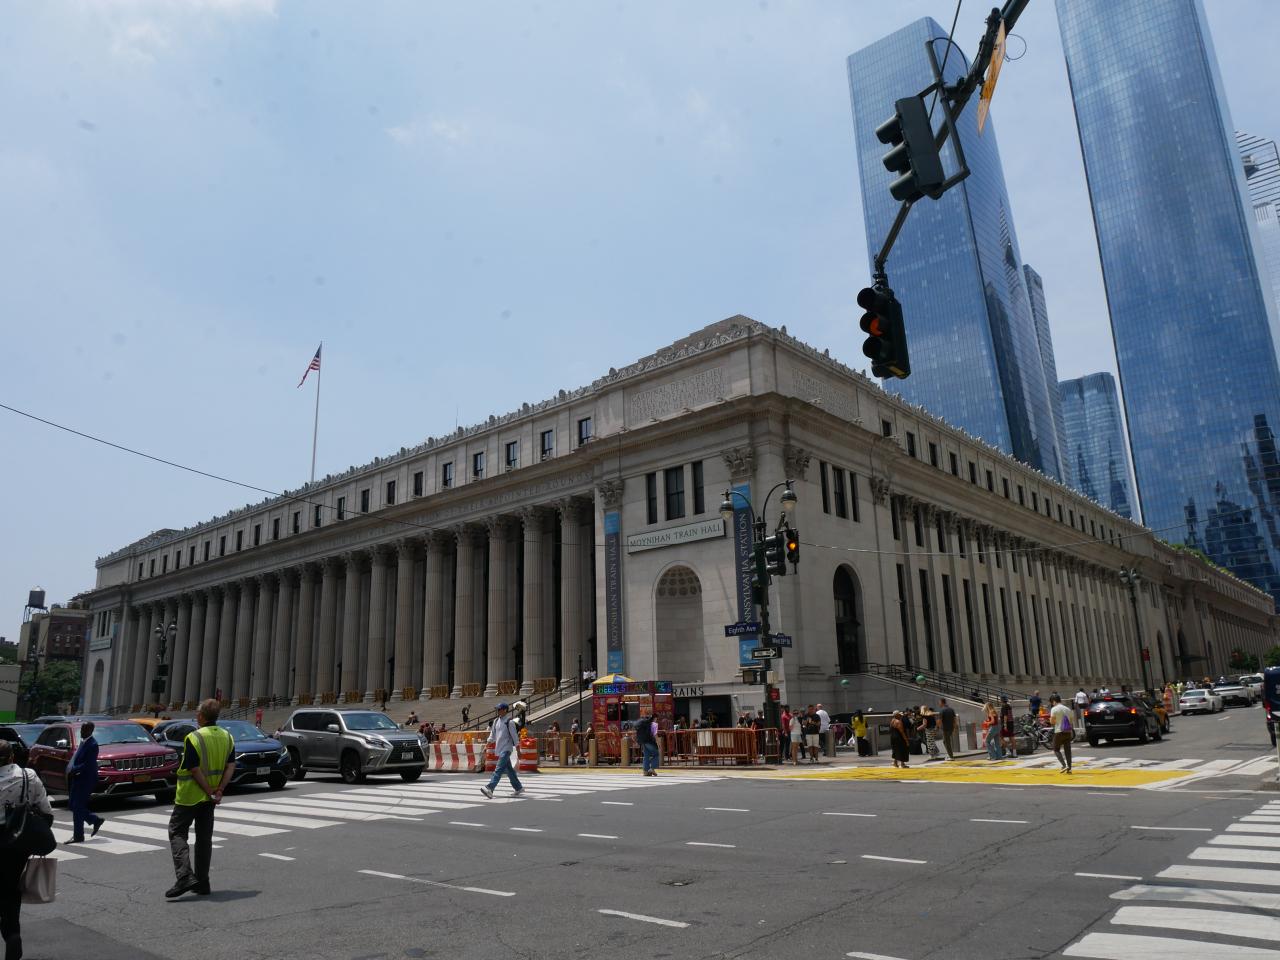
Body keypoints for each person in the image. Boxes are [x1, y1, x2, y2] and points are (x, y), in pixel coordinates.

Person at [167, 698, 237, 899]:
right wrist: (219, 790)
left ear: (201, 716)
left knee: (177, 832)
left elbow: (194, 769)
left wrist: (208, 790)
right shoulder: (227, 737)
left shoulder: (194, 737)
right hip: (210, 798)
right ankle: (202, 882)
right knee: (204, 839)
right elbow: (230, 766)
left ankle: (184, 876)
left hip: (190, 795)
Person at [0, 740, 53, 960]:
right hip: (16, 843)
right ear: (12, 756)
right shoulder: (27, 776)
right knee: (11, 891)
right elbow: (46, 811)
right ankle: (12, 934)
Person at [66, 721, 105, 844]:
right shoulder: (83, 742)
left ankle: (78, 836)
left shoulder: (93, 745)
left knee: (77, 807)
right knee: (73, 805)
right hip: (77, 778)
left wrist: (74, 770)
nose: (82, 732)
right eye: (82, 729)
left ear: (91, 731)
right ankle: (95, 820)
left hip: (86, 779)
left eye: (84, 729)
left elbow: (88, 764)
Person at [480, 703, 524, 799]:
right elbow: (492, 735)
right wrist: (487, 745)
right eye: (497, 709)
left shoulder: (509, 722)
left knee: (498, 769)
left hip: (506, 749)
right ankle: (518, 787)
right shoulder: (496, 721)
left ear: (505, 710)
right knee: (509, 770)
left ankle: (490, 788)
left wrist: (518, 751)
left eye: (499, 709)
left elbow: (515, 738)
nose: (498, 711)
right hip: (500, 749)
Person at [1049, 693, 1074, 774]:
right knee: (1068, 751)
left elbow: (1052, 722)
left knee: (1056, 749)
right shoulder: (1068, 709)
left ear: (1054, 701)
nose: (1052, 704)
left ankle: (1064, 765)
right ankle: (1069, 768)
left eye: (1052, 702)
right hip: (1068, 732)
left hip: (1059, 731)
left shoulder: (1054, 709)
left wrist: (1052, 721)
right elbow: (1071, 721)